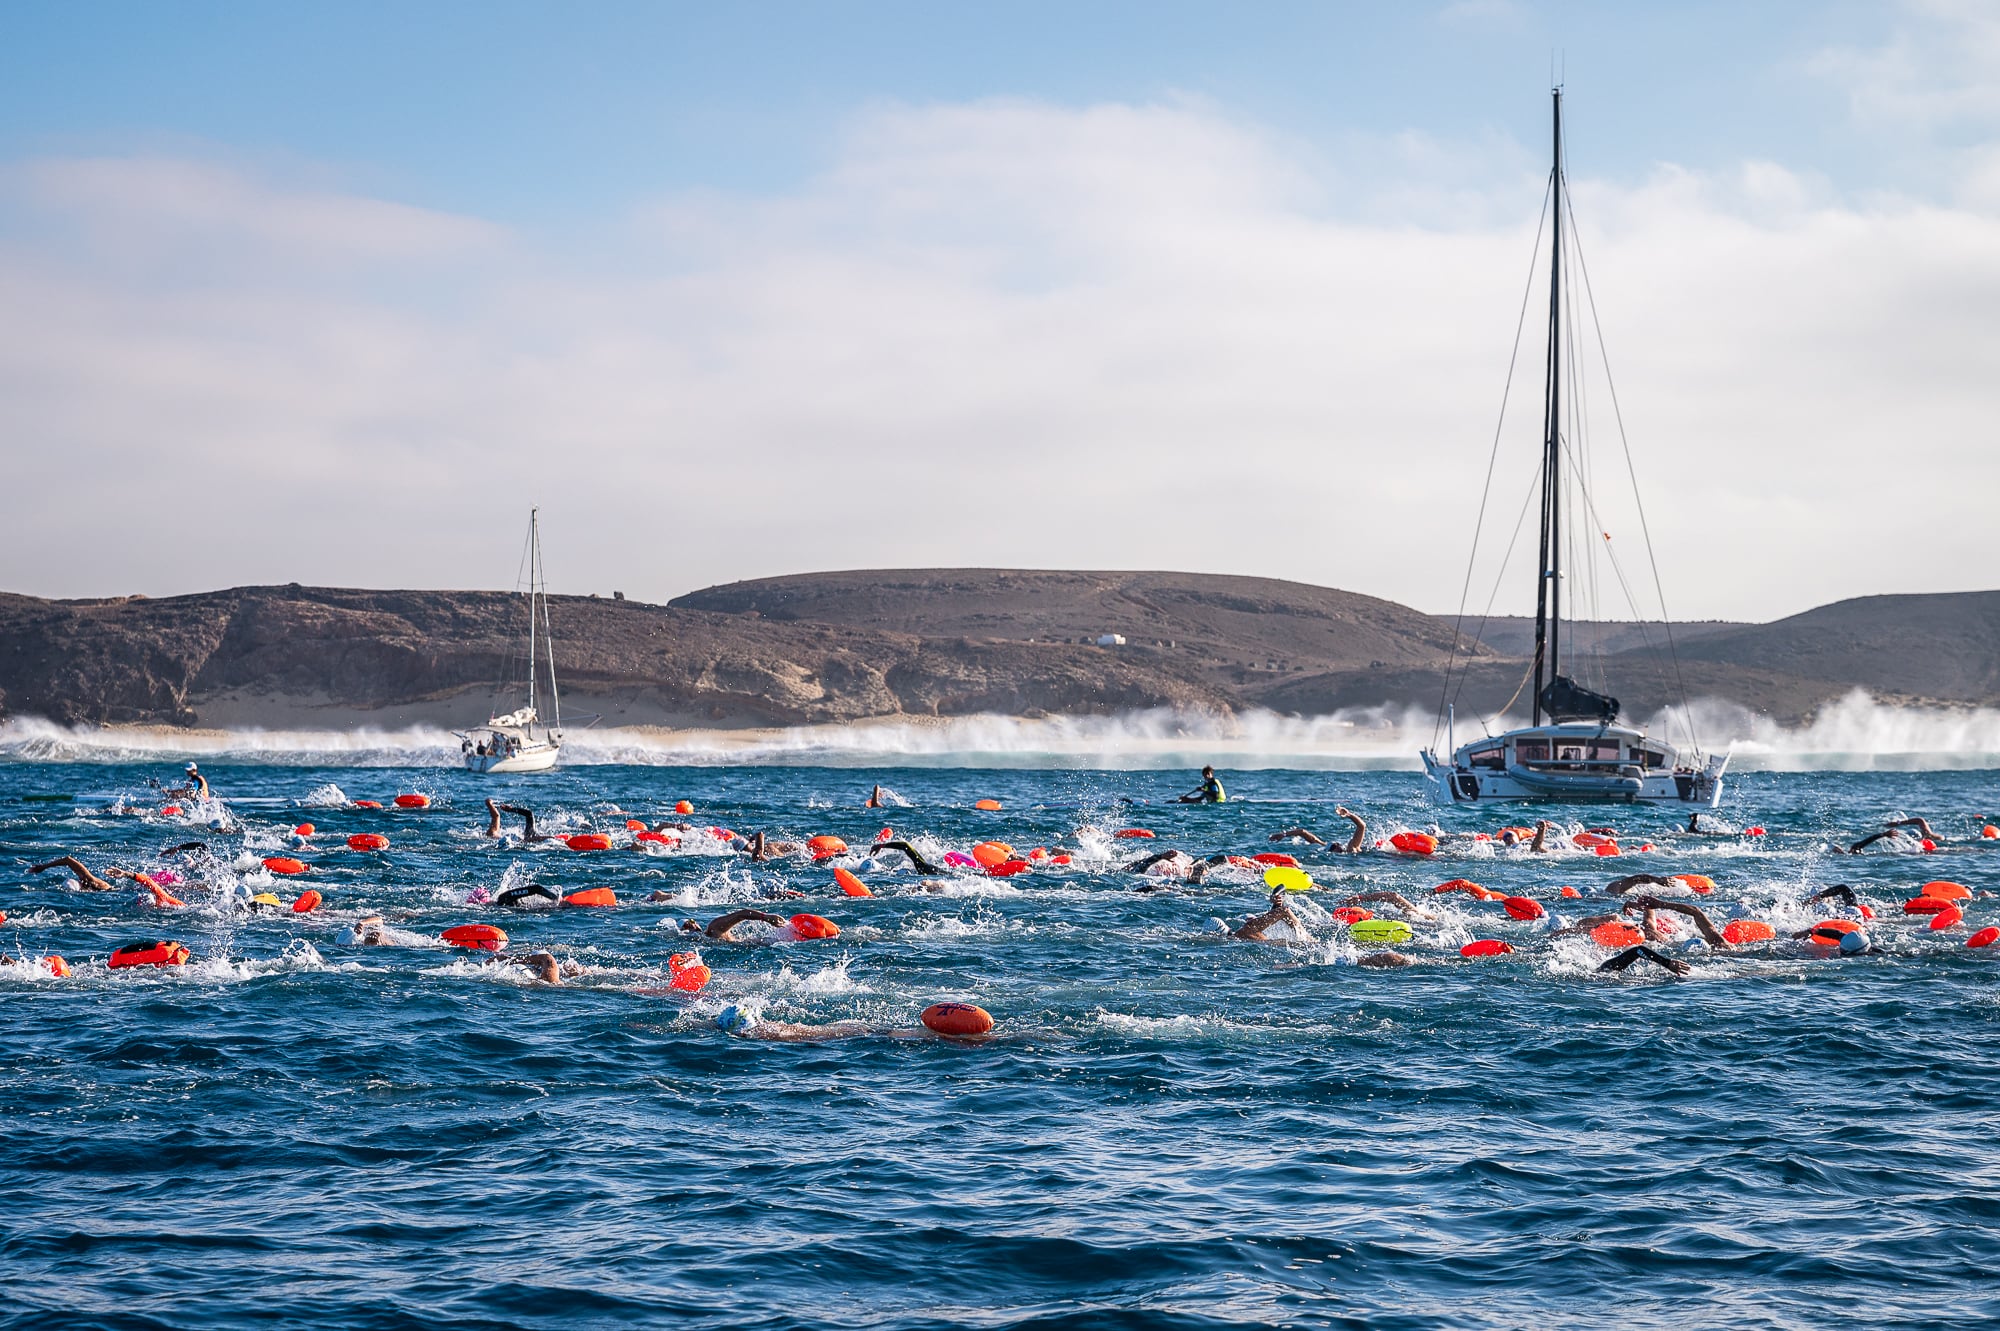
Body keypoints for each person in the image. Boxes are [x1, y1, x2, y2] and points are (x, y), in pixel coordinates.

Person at [1271, 806, 1368, 854]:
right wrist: (1283, 834)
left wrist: (1349, 815)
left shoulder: (1352, 848)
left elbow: (1362, 826)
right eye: (1334, 846)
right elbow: (1302, 832)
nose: (1337, 846)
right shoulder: (1327, 847)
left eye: (1336, 845)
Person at [677, 909, 790, 942]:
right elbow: (741, 914)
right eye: (686, 926)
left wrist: (765, 917)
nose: (691, 926)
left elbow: (741, 914)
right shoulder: (711, 932)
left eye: (690, 922)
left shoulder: (714, 928)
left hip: (757, 944)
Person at [483, 799, 555, 843]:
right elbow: (496, 816)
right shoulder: (492, 834)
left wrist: (489, 804)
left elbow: (496, 816)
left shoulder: (492, 834)